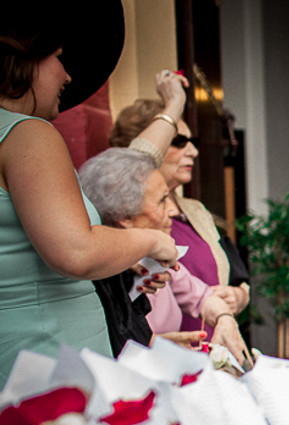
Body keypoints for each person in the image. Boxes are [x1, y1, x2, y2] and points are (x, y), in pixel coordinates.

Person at [0, 3, 178, 387]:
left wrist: (121, 257)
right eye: (60, 58)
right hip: (46, 360)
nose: (67, 75)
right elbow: (75, 252)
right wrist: (150, 239)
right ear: (26, 57)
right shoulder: (28, 134)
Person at [79, 147, 251, 367]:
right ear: (126, 216)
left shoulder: (158, 260)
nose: (172, 211)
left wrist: (224, 319)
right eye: (162, 200)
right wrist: (155, 346)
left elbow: (201, 296)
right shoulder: (98, 276)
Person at [110, 89, 251, 327]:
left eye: (192, 143)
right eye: (179, 141)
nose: (193, 152)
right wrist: (174, 102)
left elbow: (233, 273)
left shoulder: (195, 211)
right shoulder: (124, 219)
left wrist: (239, 297)